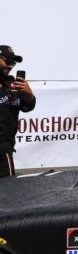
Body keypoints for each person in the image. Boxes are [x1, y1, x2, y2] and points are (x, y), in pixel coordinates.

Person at [0, 45, 35, 178]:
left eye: (13, 63)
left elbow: (28, 107)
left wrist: (28, 94)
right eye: (7, 61)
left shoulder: (12, 84)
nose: (10, 66)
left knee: (8, 192)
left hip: (4, 151)